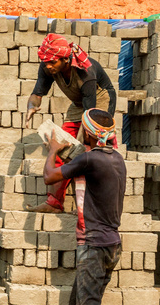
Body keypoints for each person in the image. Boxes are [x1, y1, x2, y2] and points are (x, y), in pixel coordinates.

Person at [42, 109, 125, 305]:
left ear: (87, 133)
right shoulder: (115, 158)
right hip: (110, 244)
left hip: (94, 244)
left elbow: (49, 176)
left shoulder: (90, 159)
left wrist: (53, 150)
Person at [24, 32, 117, 213]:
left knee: (89, 153)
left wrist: (83, 144)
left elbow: (88, 114)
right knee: (60, 147)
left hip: (98, 102)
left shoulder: (85, 72)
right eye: (46, 62)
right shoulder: (47, 66)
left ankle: (89, 205)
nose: (49, 66)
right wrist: (31, 107)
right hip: (78, 104)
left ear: (65, 60)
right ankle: (54, 203)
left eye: (53, 62)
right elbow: (37, 94)